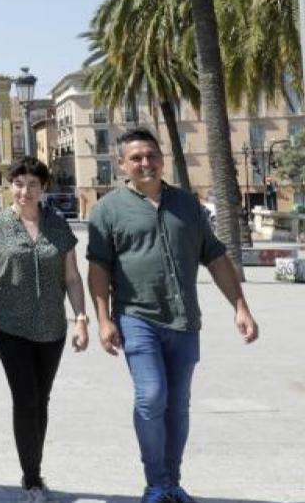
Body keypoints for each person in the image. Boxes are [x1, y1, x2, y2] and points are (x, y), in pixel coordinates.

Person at [88, 128, 259, 503]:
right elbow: (98, 268)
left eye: (151, 155)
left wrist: (240, 307)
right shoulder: (107, 210)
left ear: (162, 158)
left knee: (178, 404)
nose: (145, 163)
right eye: (136, 158)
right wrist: (103, 319)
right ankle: (155, 481)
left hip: (184, 321)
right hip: (136, 317)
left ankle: (170, 481)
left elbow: (214, 255)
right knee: (151, 397)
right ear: (121, 165)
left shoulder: (187, 204)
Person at [0, 157, 88, 502]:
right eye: (19, 183)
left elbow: (71, 276)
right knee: (25, 399)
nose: (25, 191)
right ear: (11, 186)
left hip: (52, 327)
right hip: (10, 325)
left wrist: (81, 318)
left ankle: (34, 468)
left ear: (43, 188)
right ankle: (32, 477)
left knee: (42, 399)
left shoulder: (58, 225)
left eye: (33, 184)